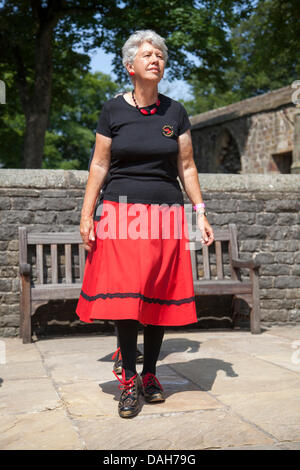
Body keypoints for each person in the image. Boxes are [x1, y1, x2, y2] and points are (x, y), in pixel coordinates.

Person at [76, 30, 214, 419]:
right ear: (130, 66)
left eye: (160, 55)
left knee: (160, 295)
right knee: (126, 296)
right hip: (120, 215)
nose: (155, 59)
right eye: (147, 54)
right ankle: (129, 380)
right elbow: (99, 164)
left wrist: (200, 211)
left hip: (166, 215)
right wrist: (87, 215)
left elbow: (186, 166)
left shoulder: (176, 112)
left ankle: (151, 375)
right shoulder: (112, 110)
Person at [88, 145, 144, 375]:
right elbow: (98, 171)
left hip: (141, 212)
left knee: (139, 285)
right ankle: (123, 350)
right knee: (121, 286)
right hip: (115, 210)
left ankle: (128, 350)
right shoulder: (110, 135)